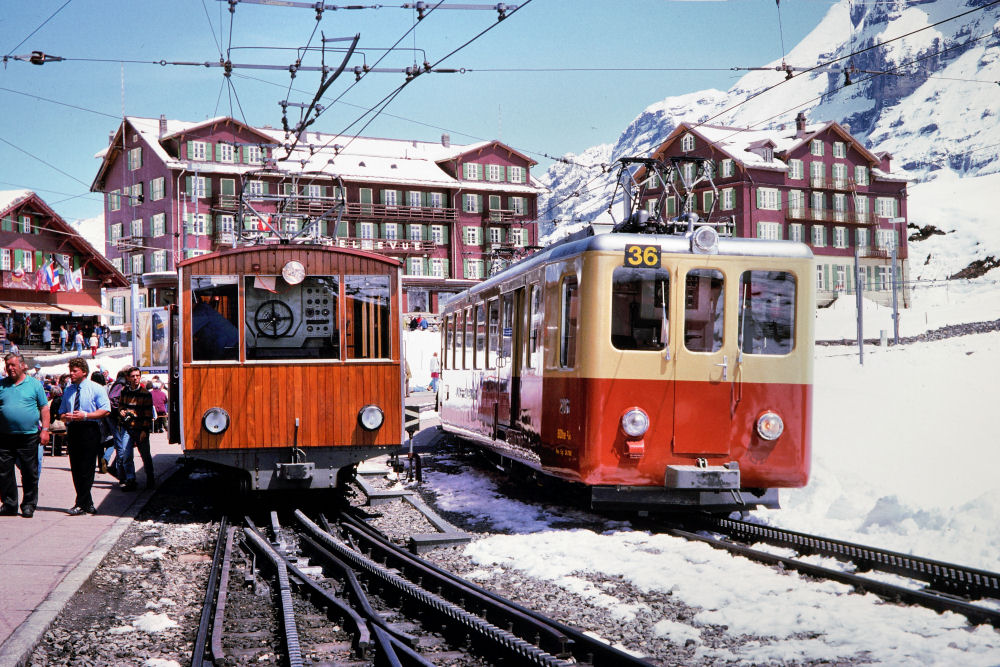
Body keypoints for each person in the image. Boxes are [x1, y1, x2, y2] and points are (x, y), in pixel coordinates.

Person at [0, 353, 50, 518]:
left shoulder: (35, 385)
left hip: (28, 436)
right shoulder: (2, 385)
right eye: (8, 366)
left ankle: (28, 505)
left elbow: (44, 408)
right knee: (4, 472)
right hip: (5, 436)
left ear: (22, 365)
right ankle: (9, 504)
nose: (10, 368)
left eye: (13, 365)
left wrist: (45, 430)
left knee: (29, 472)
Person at [59, 357, 111, 515]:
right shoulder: (68, 390)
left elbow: (106, 409)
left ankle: (81, 503)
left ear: (84, 372)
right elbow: (61, 412)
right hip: (73, 429)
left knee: (87, 468)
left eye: (75, 371)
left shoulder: (96, 388)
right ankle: (86, 503)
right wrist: (65, 417)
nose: (72, 374)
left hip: (89, 428)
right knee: (75, 467)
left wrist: (86, 415)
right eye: (71, 371)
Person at [114, 366, 154, 490]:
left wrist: (144, 431)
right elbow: (120, 406)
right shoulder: (124, 391)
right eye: (133, 376)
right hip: (127, 427)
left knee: (145, 455)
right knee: (126, 455)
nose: (136, 378)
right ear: (128, 378)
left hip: (140, 428)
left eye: (137, 376)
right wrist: (121, 411)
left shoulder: (145, 394)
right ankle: (130, 479)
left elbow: (148, 415)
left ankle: (150, 479)